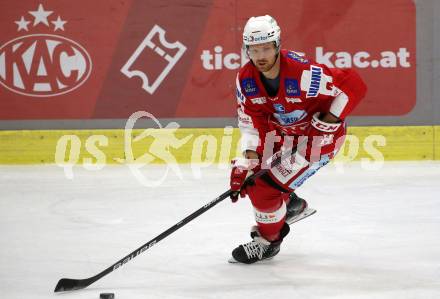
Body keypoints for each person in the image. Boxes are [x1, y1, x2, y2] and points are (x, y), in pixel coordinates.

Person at [229, 15, 367, 264]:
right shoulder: (245, 79)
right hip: (283, 138)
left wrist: (329, 121)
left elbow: (353, 84)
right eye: (254, 49)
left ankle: (268, 242)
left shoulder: (304, 74)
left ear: (278, 45)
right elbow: (249, 122)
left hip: (317, 143)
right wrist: (248, 162)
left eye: (266, 48)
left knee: (265, 190)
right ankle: (290, 205)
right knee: (252, 181)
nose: (261, 55)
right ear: (246, 49)